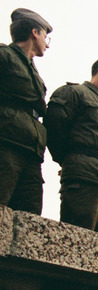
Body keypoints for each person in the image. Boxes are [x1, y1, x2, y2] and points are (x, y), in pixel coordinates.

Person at [46, 57, 98, 236]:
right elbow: (54, 128)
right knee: (77, 238)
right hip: (84, 177)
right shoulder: (74, 93)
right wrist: (71, 161)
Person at [0, 8, 52, 214]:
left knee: (31, 221)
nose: (47, 44)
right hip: (7, 145)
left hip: (31, 151)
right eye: (45, 36)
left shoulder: (33, 71)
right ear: (34, 33)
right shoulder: (4, 55)